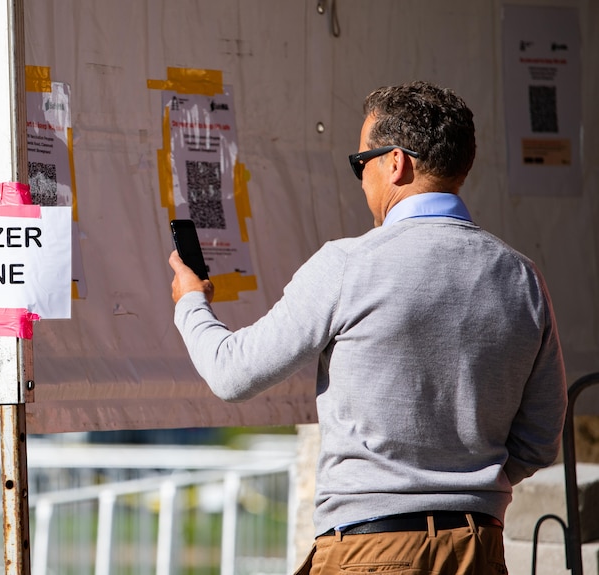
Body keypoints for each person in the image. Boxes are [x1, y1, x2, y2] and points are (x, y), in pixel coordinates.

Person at [167, 81, 567, 575]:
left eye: (361, 163)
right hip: (479, 548)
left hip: (372, 550)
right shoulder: (523, 277)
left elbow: (232, 372)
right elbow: (540, 439)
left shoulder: (348, 264)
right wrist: (463, 487)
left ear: (395, 162)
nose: (360, 180)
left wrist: (190, 302)